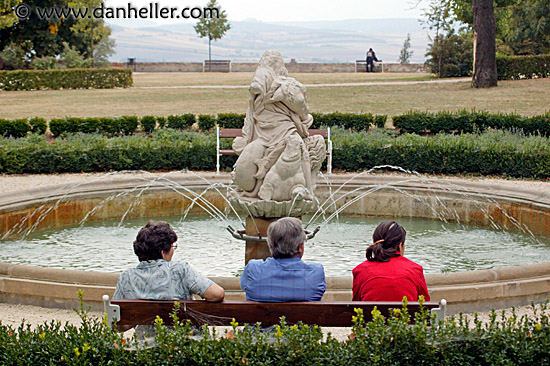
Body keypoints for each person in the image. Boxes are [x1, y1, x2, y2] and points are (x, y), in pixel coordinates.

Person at [113, 221, 225, 302]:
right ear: (163, 252)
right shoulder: (179, 270)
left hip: (145, 335)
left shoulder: (126, 277)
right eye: (172, 247)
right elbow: (217, 293)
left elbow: (117, 322)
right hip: (185, 334)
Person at [240, 217, 326, 302]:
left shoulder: (253, 269)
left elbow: (244, 286)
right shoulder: (316, 273)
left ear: (270, 245)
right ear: (300, 247)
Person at [352, 221, 430, 302]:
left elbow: (356, 305)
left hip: (372, 314)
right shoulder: (415, 270)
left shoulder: (360, 270)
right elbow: (425, 305)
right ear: (400, 245)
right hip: (405, 314)